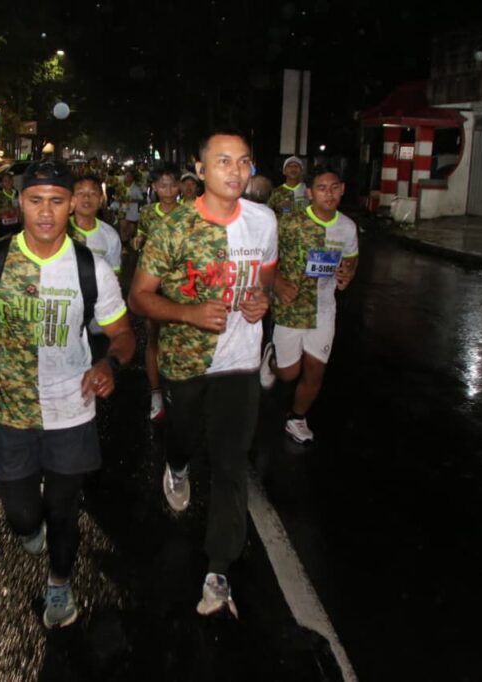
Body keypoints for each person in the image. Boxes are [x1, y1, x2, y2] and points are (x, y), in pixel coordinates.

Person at [0, 160, 135, 629]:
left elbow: (124, 334)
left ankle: (60, 582)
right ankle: (31, 527)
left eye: (57, 200)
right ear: (21, 203)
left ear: (72, 205)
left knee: (63, 510)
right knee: (21, 516)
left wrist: (108, 364)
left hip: (71, 409)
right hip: (11, 411)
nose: (47, 212)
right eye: (36, 201)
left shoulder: (91, 269)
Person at [129, 130, 277, 618]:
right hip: (186, 361)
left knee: (231, 464)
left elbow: (266, 277)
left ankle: (218, 570)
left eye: (243, 161)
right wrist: (188, 314)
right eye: (223, 161)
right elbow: (139, 297)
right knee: (184, 436)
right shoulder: (173, 228)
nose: (235, 171)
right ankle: (176, 464)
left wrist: (262, 299)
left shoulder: (263, 221)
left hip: (240, 362)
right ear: (200, 168)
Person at [260, 167, 359, 444]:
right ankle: (272, 359)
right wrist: (277, 282)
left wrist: (349, 272)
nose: (329, 194)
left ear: (342, 189)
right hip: (291, 306)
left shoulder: (347, 227)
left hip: (324, 308)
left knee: (316, 369)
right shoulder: (289, 224)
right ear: (310, 192)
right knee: (289, 373)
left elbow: (351, 257)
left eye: (334, 187)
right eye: (322, 188)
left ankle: (297, 418)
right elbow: (263, 258)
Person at [135, 163, 191, 421]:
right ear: (154, 187)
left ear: (179, 186)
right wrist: (138, 241)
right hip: (154, 283)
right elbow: (140, 236)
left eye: (172, 184)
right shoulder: (147, 213)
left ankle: (179, 389)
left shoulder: (189, 212)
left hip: (181, 283)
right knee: (154, 335)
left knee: (181, 335)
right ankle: (156, 391)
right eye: (162, 185)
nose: (168, 190)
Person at [68, 173, 123, 361]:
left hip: (98, 318)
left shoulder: (110, 235)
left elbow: (115, 277)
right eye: (80, 193)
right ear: (71, 199)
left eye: (92, 193)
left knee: (98, 363)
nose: (86, 198)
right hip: (66, 315)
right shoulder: (60, 231)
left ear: (101, 200)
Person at [117, 169, 144, 244]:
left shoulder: (136, 188)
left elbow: (141, 199)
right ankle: (124, 244)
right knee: (123, 228)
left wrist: (133, 200)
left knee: (131, 230)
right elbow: (117, 197)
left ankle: (129, 241)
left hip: (133, 211)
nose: (127, 177)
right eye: (126, 175)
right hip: (122, 210)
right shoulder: (120, 187)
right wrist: (119, 199)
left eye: (129, 176)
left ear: (132, 178)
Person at [0, 172, 21, 239]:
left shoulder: (17, 193)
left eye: (10, 180)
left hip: (16, 226)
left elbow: (20, 207)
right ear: (1, 183)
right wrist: (6, 210)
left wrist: (18, 215)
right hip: (4, 227)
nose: (8, 182)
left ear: (12, 181)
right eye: (5, 181)